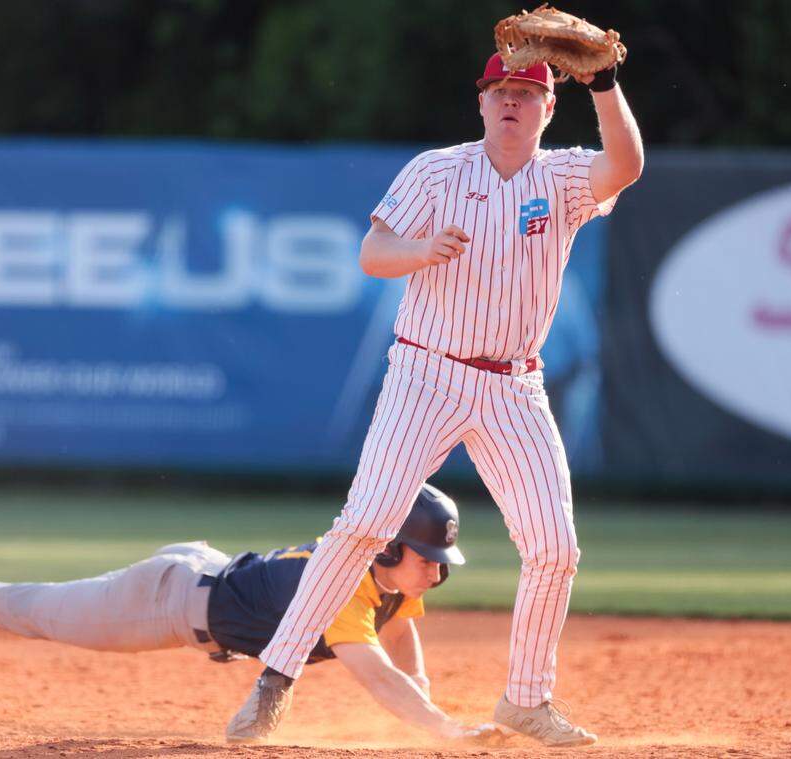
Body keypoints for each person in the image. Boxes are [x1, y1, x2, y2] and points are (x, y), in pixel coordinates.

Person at [227, 51, 643, 747]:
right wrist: (420, 250)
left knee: (555, 547)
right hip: (427, 371)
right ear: (480, 102)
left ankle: (525, 700)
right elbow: (372, 251)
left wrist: (604, 84)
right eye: (499, 91)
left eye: (526, 92)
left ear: (548, 108)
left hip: (514, 383)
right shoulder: (437, 170)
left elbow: (625, 166)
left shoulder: (565, 176)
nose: (511, 102)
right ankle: (276, 676)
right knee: (364, 522)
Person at [0, 485, 501, 745]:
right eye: (426, 556)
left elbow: (401, 630)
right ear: (388, 546)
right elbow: (378, 673)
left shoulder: (384, 574)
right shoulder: (341, 584)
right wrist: (439, 726)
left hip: (200, 578)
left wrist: (428, 701)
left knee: (31, 608)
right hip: (164, 602)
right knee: (31, 608)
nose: (437, 570)